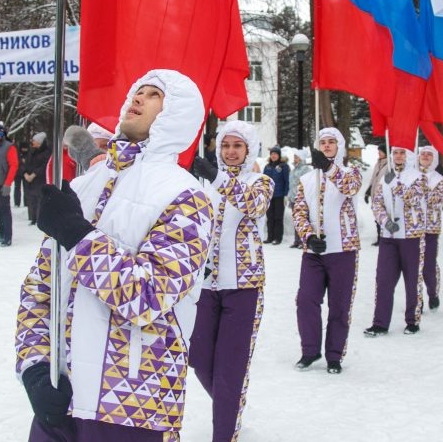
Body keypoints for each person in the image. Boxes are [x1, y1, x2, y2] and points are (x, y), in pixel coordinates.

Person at [16, 69, 213, 441]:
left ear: (177, 114)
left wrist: (77, 234)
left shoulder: (186, 196)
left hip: (131, 402)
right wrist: (35, 368)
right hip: (59, 393)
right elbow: (40, 287)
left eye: (154, 95)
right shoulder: (83, 185)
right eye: (137, 91)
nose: (137, 98)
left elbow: (148, 295)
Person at [189, 120, 273, 442]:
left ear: (248, 149)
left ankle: (224, 431)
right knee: (198, 358)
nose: (230, 151)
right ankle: (231, 403)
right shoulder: (205, 183)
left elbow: (255, 206)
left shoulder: (259, 181)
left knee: (230, 367)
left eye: (237, 146)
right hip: (206, 286)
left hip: (244, 286)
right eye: (225, 145)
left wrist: (218, 178)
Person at [292, 128, 362, 374]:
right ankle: (310, 350)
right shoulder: (308, 179)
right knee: (306, 301)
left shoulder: (349, 173)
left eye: (332, 142)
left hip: (343, 250)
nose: (327, 146)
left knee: (339, 304)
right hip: (314, 254)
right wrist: (308, 236)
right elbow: (299, 210)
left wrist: (330, 169)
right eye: (323, 142)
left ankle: (335, 354)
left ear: (339, 146)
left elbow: (350, 188)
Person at [365, 147, 425, 336]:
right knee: (384, 280)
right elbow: (377, 202)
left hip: (410, 236)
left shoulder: (417, 176)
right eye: (396, 153)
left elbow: (414, 199)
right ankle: (380, 322)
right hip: (389, 237)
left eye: (402, 153)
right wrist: (385, 221)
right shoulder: (386, 177)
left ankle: (412, 320)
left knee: (412, 279)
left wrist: (397, 185)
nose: (398, 156)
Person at [417, 146, 443, 311]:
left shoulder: (439, 179)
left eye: (429, 154)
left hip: (430, 229)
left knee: (428, 264)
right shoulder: (412, 175)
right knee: (414, 266)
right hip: (412, 228)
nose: (426, 157)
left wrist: (418, 188)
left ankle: (433, 293)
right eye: (423, 154)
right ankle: (417, 299)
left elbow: (435, 200)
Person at [262, 146, 289, 245]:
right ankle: (270, 237)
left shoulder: (284, 166)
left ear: (279, 155)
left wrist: (286, 195)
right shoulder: (267, 167)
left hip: (279, 195)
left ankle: (277, 238)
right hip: (269, 196)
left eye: (275, 154)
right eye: (272, 154)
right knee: (270, 217)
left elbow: (287, 181)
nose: (273, 156)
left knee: (278, 217)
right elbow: (263, 180)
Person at [23, 132, 50, 226]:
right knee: (32, 199)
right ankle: (33, 217)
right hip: (30, 180)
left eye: (34, 141)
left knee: (39, 199)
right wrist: (25, 173)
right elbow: (26, 163)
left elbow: (44, 166)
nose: (32, 142)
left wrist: (34, 174)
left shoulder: (46, 152)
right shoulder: (32, 152)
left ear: (39, 142)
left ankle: (39, 219)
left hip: (40, 179)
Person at [364, 147, 388, 246]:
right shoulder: (378, 163)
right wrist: (368, 192)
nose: (379, 153)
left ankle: (385, 239)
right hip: (375, 195)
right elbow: (374, 178)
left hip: (384, 197)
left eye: (381, 151)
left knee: (384, 217)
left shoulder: (389, 165)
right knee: (377, 218)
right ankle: (380, 239)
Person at [288, 150, 311, 248]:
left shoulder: (306, 169)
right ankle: (297, 240)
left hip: (302, 199)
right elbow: (291, 185)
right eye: (294, 157)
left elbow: (308, 184)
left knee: (303, 220)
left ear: (301, 158)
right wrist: (289, 197)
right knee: (296, 220)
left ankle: (304, 240)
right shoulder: (293, 170)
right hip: (293, 198)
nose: (295, 159)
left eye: (296, 157)